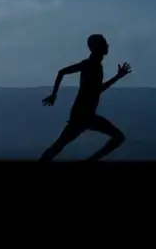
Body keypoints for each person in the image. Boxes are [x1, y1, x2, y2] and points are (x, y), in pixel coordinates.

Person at [38, 33, 132, 162]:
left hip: (86, 114)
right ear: (96, 47)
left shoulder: (95, 65)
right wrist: (54, 94)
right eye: (104, 43)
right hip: (82, 115)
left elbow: (96, 90)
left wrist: (117, 77)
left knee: (59, 145)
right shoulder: (90, 64)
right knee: (118, 137)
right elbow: (62, 72)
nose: (107, 46)